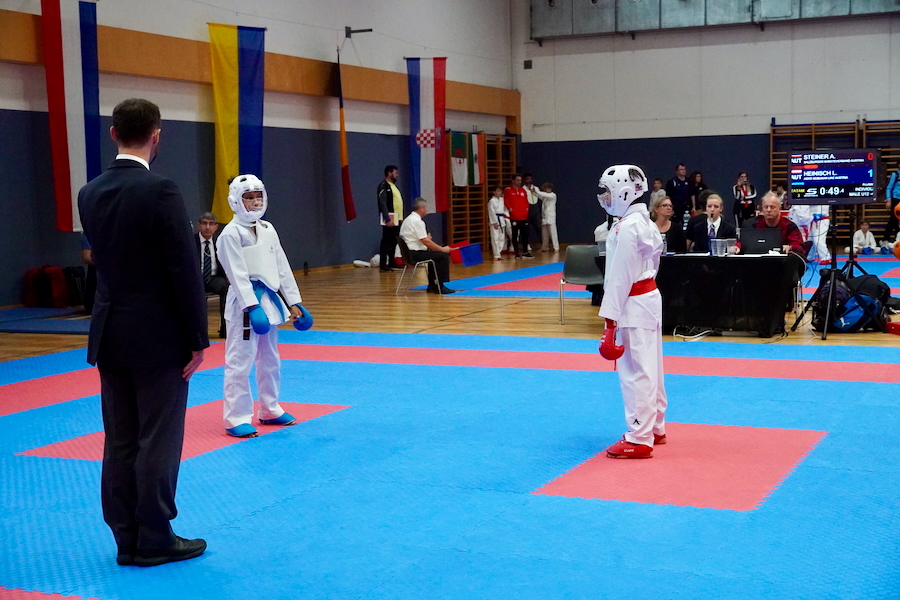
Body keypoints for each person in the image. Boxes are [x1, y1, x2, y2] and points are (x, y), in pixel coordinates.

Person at [77, 98, 209, 567]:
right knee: (158, 437)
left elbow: (102, 263)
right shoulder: (161, 191)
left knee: (120, 438)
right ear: (157, 135)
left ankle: (126, 537)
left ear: (113, 133)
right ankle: (155, 536)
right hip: (158, 336)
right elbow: (183, 269)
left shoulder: (89, 193)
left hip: (110, 331)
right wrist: (197, 339)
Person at [217, 174, 306, 439]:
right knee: (240, 360)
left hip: (269, 300)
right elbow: (236, 275)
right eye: (248, 197)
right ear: (235, 201)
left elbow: (282, 267)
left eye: (258, 196)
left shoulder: (268, 229)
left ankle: (270, 408)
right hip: (244, 304)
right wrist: (251, 306)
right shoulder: (230, 234)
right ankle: (236, 417)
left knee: (270, 358)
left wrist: (294, 301)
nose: (255, 202)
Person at [596, 164, 667, 459]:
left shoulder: (626, 228)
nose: (605, 198)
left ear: (624, 192)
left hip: (633, 301)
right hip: (648, 296)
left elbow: (619, 277)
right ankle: (656, 426)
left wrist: (609, 322)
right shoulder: (645, 222)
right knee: (652, 366)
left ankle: (639, 437)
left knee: (636, 370)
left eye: (608, 192)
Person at [399, 198, 457, 293]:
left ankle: (433, 285)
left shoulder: (408, 220)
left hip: (407, 254)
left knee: (433, 256)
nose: (427, 209)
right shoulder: (417, 221)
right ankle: (440, 286)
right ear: (421, 208)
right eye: (426, 207)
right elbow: (426, 241)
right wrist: (442, 249)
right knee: (442, 256)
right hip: (415, 254)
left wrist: (427, 239)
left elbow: (419, 239)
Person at [196, 212, 228, 338]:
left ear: (216, 227)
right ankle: (200, 332)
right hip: (196, 279)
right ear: (199, 225)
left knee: (226, 287)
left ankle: (225, 329)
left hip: (214, 278)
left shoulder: (221, 242)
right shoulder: (191, 242)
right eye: (204, 223)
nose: (207, 227)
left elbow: (228, 261)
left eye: (211, 224)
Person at [377, 165, 403, 272]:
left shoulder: (394, 186)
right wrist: (387, 219)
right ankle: (383, 264)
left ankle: (392, 262)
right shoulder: (384, 186)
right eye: (395, 173)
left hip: (397, 219)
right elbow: (382, 203)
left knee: (394, 241)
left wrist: (401, 218)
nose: (397, 175)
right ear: (389, 173)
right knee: (386, 241)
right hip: (390, 219)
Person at [504, 174, 532, 259]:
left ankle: (525, 252)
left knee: (525, 235)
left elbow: (526, 202)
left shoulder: (523, 190)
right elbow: (506, 201)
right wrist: (511, 209)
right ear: (513, 181)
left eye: (520, 180)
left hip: (523, 216)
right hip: (514, 217)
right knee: (515, 235)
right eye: (517, 180)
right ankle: (516, 253)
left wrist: (526, 210)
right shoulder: (508, 190)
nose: (519, 182)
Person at [532, 182, 559, 252]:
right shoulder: (545, 197)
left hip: (551, 217)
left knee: (553, 233)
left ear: (549, 189)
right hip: (544, 217)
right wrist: (533, 192)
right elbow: (539, 195)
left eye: (545, 189)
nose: (544, 191)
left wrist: (537, 191)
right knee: (544, 234)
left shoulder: (553, 195)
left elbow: (542, 194)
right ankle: (544, 247)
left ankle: (556, 248)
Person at [487, 186, 511, 260]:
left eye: (500, 191)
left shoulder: (502, 200)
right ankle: (496, 255)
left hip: (502, 219)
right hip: (495, 220)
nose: (500, 192)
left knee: (502, 238)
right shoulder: (492, 201)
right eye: (498, 191)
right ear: (494, 192)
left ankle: (499, 252)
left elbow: (505, 209)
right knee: (495, 238)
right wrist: (494, 222)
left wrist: (507, 216)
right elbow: (491, 212)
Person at [523, 172, 542, 250]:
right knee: (526, 229)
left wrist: (534, 192)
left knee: (539, 228)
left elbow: (540, 196)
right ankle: (527, 244)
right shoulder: (523, 189)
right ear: (524, 180)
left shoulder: (536, 188)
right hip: (527, 209)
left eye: (530, 179)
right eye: (527, 179)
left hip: (535, 209)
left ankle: (543, 244)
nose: (529, 180)